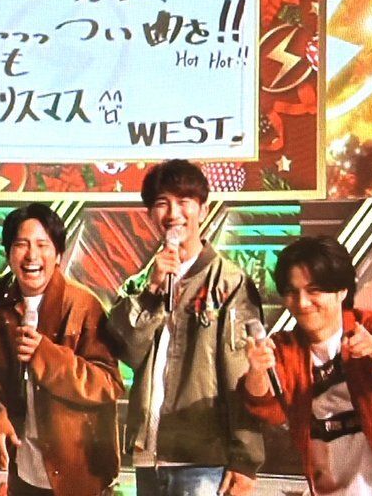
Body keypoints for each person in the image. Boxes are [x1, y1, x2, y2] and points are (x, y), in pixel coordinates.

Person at [106, 159, 265, 496]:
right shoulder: (141, 284)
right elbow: (127, 351)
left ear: (203, 210)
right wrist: (152, 290)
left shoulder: (230, 282)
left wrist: (245, 458)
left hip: (203, 458)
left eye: (184, 201)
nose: (173, 213)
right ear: (151, 215)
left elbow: (241, 374)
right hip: (148, 456)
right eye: (162, 203)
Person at [242, 236, 372, 495]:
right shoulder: (284, 347)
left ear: (342, 291)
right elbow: (270, 409)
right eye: (292, 292)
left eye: (314, 291)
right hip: (330, 488)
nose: (302, 303)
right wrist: (257, 371)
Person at [0, 203, 124, 496]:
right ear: (8, 253)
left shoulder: (83, 305)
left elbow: (108, 384)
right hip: (24, 466)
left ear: (58, 254)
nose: (32, 255)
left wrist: (46, 355)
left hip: (79, 470)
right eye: (21, 244)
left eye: (42, 245)